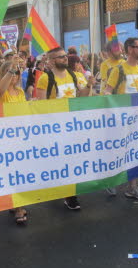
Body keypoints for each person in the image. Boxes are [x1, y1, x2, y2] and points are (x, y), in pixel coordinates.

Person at [37, 47, 95, 210]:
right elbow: (41, 106)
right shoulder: (45, 79)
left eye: (65, 56)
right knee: (59, 160)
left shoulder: (74, 75)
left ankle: (69, 192)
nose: (65, 59)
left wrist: (89, 86)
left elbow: (82, 96)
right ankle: (66, 192)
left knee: (71, 159)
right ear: (52, 60)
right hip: (55, 126)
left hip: (73, 125)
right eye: (61, 57)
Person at [104, 37, 138, 200]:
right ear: (130, 49)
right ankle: (110, 181)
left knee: (133, 152)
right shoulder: (119, 70)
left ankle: (132, 187)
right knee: (116, 151)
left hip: (136, 119)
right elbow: (108, 91)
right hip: (120, 120)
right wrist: (112, 103)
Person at [0, 57, 29, 224]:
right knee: (12, 173)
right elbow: (1, 88)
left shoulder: (21, 92)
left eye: (17, 73)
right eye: (12, 72)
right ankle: (19, 207)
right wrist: (12, 67)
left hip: (21, 137)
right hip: (6, 138)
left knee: (21, 172)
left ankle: (16, 203)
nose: (15, 75)